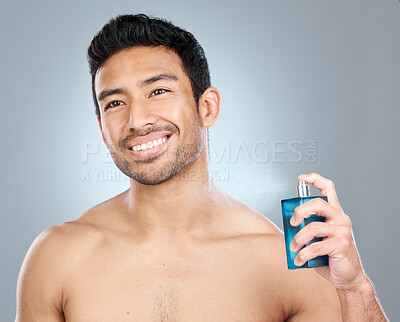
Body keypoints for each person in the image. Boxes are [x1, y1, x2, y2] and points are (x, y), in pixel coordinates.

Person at [16, 14, 388, 321]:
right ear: (102, 129)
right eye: (115, 103)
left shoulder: (288, 263)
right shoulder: (57, 258)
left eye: (158, 91)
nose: (137, 120)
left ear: (207, 107)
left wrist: (356, 289)